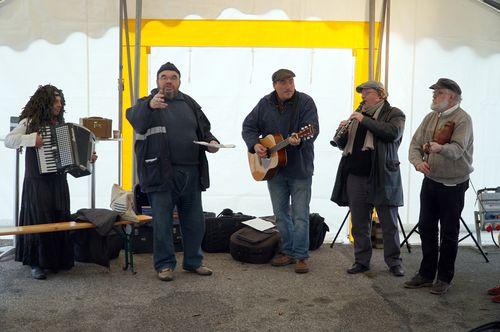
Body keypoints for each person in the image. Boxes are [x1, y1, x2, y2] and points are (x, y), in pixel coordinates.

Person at [126, 62, 219, 282]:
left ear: (179, 80)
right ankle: (165, 265)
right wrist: (150, 106)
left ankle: (194, 262)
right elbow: (136, 121)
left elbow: (204, 130)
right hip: (160, 172)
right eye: (164, 76)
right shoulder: (146, 103)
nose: (169, 80)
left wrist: (213, 142)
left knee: (195, 221)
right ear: (157, 81)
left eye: (173, 77)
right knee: (162, 222)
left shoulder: (189, 103)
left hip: (192, 173)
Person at [5, 84, 97, 280]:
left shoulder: (61, 125)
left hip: (58, 181)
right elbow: (9, 140)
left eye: (60, 101)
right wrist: (32, 139)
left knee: (58, 217)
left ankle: (56, 260)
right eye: (55, 101)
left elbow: (71, 156)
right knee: (39, 219)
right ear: (45, 102)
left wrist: (88, 157)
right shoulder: (29, 122)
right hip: (37, 182)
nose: (59, 104)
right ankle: (36, 262)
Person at [242, 69, 319, 273]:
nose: (288, 86)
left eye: (291, 81)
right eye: (283, 82)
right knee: (280, 213)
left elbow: (313, 129)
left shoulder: (305, 102)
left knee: (301, 214)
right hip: (275, 170)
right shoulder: (264, 103)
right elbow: (248, 126)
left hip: (300, 167)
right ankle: (287, 250)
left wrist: (299, 139)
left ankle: (301, 255)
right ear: (274, 85)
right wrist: (255, 145)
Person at [405, 78, 473, 295]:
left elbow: (457, 150)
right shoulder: (430, 117)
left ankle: (444, 278)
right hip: (431, 181)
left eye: (438, 93)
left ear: (451, 96)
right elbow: (414, 145)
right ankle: (426, 274)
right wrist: (417, 162)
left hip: (453, 184)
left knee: (450, 232)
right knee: (426, 227)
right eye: (434, 93)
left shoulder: (463, 119)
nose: (433, 96)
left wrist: (438, 148)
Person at [330, 80, 405, 277]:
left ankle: (394, 262)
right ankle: (361, 261)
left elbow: (392, 133)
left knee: (389, 223)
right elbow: (345, 146)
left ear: (381, 94)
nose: (362, 96)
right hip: (355, 175)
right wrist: (343, 133)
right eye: (362, 93)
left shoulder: (394, 114)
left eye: (367, 92)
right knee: (360, 223)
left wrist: (363, 119)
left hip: (381, 175)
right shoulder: (359, 115)